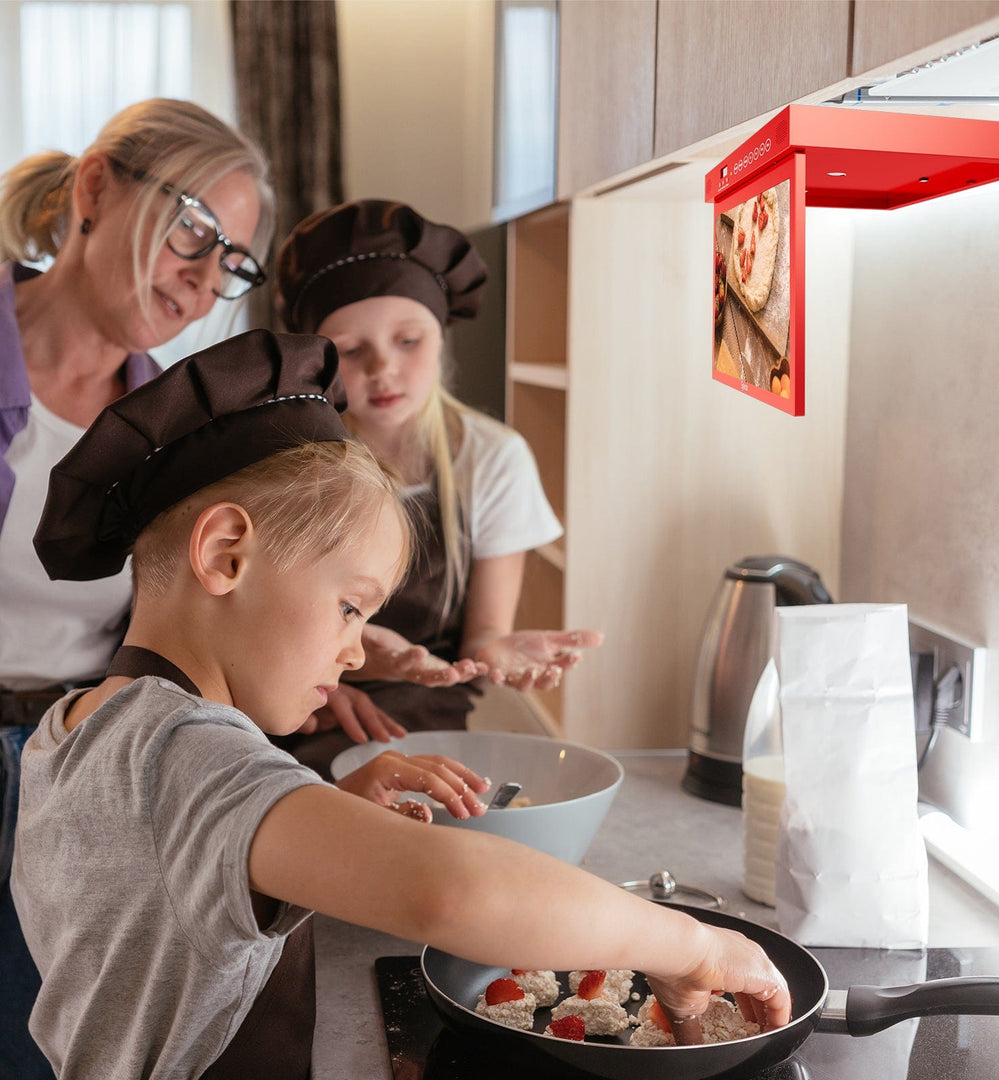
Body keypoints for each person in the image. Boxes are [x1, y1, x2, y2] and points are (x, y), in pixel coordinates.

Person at [14, 329, 791, 1078]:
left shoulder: (76, 728)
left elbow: (169, 899)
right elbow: (454, 889)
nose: (356, 651)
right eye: (351, 606)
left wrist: (322, 810)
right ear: (226, 555)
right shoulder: (189, 753)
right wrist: (688, 946)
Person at [0, 96, 274, 1079]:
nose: (203, 279)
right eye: (193, 229)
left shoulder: (176, 439)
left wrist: (346, 640)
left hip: (71, 772)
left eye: (230, 261)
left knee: (36, 1045)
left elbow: (199, 612)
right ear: (93, 190)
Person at [275, 199, 602, 754]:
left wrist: (496, 654)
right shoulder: (289, 459)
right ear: (321, 358)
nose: (383, 370)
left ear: (442, 337)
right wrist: (319, 690)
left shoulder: (494, 461)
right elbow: (260, 628)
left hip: (424, 710)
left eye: (408, 341)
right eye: (353, 350)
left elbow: (484, 636)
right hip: (293, 701)